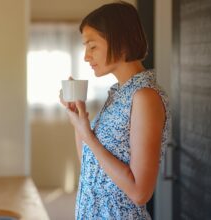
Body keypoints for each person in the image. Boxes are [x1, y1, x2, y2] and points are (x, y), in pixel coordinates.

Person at [59, 1, 170, 219]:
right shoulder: (118, 93)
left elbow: (140, 193)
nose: (86, 56)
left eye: (92, 46)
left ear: (121, 41)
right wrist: (78, 120)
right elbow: (91, 165)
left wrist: (88, 135)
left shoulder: (145, 97)